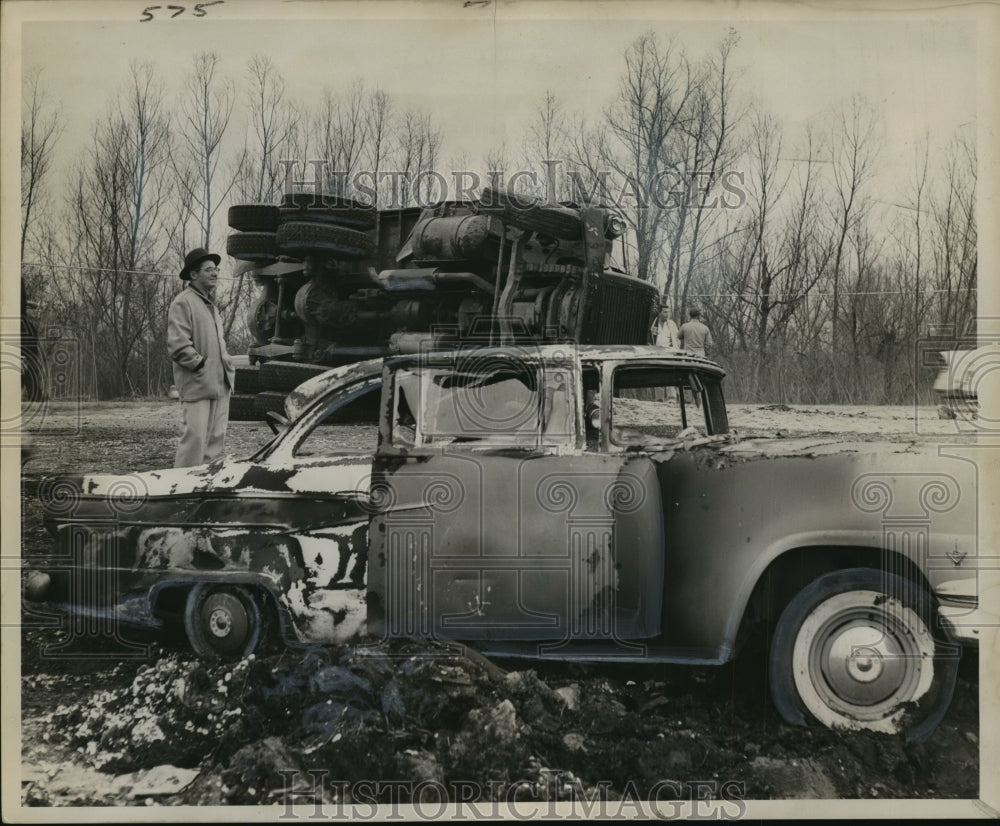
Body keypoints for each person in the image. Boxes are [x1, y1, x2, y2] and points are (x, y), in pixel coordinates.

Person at [167, 248, 235, 467]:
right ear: (193, 275)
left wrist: (227, 368)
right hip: (198, 383)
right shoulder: (183, 302)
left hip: (220, 384)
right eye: (209, 270)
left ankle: (207, 487)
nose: (215, 273)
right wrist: (200, 365)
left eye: (216, 269)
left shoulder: (211, 306)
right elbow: (178, 345)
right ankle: (180, 488)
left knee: (215, 442)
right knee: (195, 440)